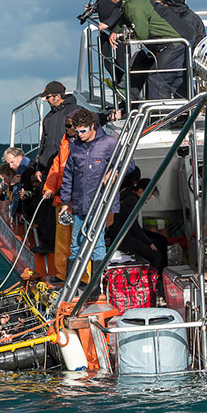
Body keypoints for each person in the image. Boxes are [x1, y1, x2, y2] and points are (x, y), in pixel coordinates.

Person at [59, 108, 135, 279]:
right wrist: (65, 202)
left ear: (92, 126)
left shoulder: (109, 143)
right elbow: (68, 175)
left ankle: (95, 287)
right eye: (77, 131)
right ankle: (72, 284)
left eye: (83, 131)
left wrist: (114, 171)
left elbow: (129, 165)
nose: (80, 135)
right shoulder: (75, 147)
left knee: (97, 243)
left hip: (101, 202)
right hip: (79, 203)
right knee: (75, 244)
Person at [108, 0, 187, 100]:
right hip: (177, 39)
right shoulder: (133, 1)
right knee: (175, 78)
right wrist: (115, 31)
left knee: (157, 78)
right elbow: (125, 19)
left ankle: (159, 116)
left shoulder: (133, 6)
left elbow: (142, 33)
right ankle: (183, 113)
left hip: (175, 42)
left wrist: (127, 38)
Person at [42, 109, 80, 278]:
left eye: (69, 126)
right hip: (62, 199)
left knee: (79, 240)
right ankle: (62, 273)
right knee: (62, 240)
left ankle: (83, 277)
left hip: (78, 201)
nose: (66, 129)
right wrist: (49, 189)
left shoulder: (87, 144)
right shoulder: (65, 143)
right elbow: (56, 168)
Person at [109, 177, 167, 275]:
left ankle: (162, 274)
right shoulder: (131, 201)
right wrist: (148, 242)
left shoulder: (129, 195)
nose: (149, 196)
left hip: (129, 233)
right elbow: (134, 226)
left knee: (161, 240)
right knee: (156, 255)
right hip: (125, 238)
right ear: (140, 190)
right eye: (149, 193)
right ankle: (153, 278)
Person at [36, 81, 80, 180]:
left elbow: (92, 119)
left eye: (48, 97)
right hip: (47, 169)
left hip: (66, 167)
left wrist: (108, 116)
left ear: (58, 97)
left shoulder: (75, 110)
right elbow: (43, 143)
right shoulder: (48, 117)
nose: (46, 100)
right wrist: (38, 168)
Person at [95, 0, 134, 84]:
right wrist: (94, 7)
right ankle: (118, 84)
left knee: (122, 62)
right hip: (105, 28)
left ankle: (127, 90)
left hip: (119, 27)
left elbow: (123, 3)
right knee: (107, 61)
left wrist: (109, 22)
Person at [1, 147, 30, 219]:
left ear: (19, 157)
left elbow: (17, 196)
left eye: (12, 162)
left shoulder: (22, 170)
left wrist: (12, 214)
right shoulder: (27, 163)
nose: (10, 166)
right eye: (9, 163)